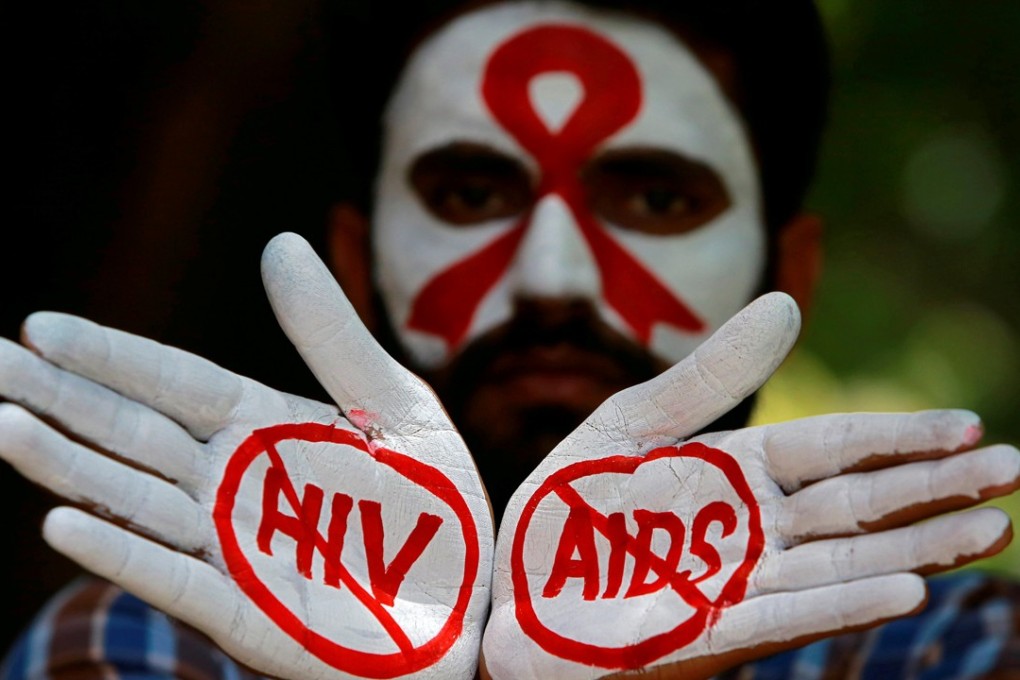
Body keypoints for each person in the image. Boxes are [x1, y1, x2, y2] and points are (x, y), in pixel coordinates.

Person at [1, 0, 1018, 678]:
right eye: (473, 191)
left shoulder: (944, 648)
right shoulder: (148, 637)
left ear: (789, 271)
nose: (551, 278)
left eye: (657, 195)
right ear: (352, 264)